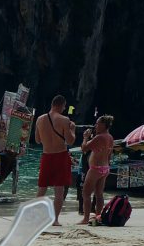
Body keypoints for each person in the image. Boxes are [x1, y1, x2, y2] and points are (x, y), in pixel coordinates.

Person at [34, 95, 76, 226]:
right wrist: (72, 130)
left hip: (46, 156)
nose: (64, 109)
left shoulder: (40, 119)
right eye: (64, 106)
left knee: (41, 189)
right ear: (60, 105)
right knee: (59, 191)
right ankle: (55, 220)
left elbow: (37, 140)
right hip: (60, 156)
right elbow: (70, 141)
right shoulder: (64, 119)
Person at [78, 115, 114, 224]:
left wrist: (85, 137)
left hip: (95, 168)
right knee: (99, 193)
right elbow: (109, 154)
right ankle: (98, 217)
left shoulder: (99, 137)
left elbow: (84, 148)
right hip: (105, 168)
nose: (95, 126)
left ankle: (85, 219)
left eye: (98, 123)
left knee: (86, 193)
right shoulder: (110, 137)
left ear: (104, 125)